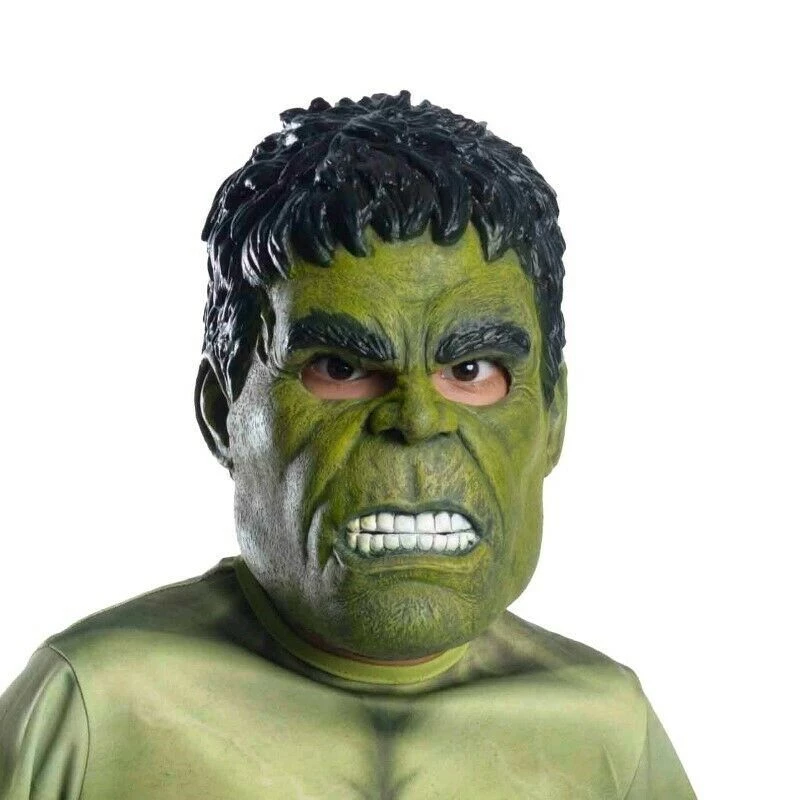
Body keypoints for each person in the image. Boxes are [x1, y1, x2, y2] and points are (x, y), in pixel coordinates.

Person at [0, 91, 695, 799]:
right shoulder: (97, 711)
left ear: (554, 419)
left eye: (471, 371)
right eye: (339, 368)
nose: (417, 419)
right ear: (220, 412)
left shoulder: (607, 733)